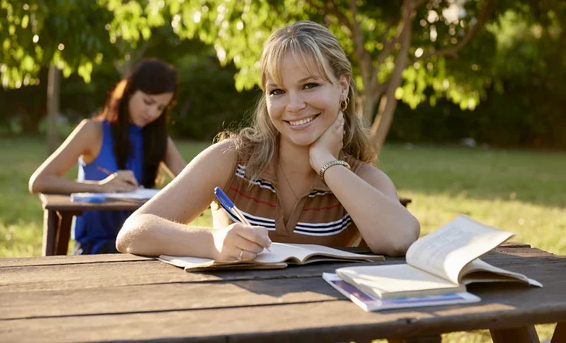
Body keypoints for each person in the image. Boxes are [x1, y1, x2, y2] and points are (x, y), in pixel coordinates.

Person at [116, 21, 420, 259]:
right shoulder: (232, 158)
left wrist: (328, 163)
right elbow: (132, 232)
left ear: (342, 87)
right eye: (277, 91)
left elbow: (400, 238)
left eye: (310, 85)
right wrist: (212, 242)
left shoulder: (360, 178)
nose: (293, 104)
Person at [29, 59, 187, 254]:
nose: (152, 112)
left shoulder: (158, 140)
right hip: (96, 247)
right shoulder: (93, 131)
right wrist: (100, 187)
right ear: (130, 90)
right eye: (148, 102)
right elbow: (38, 182)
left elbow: (192, 181)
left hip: (140, 245)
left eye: (161, 108)